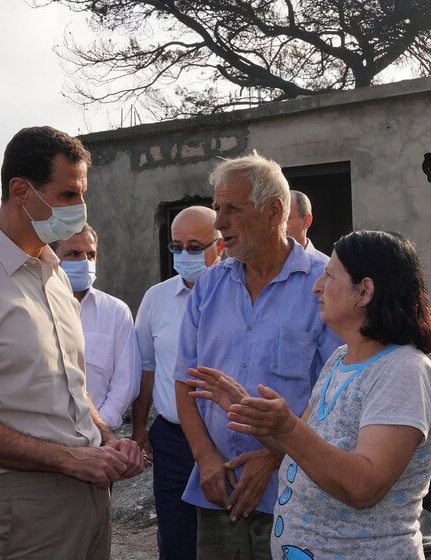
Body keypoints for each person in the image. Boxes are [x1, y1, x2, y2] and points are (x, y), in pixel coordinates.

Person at [0, 126, 144, 560]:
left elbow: (74, 390)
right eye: (67, 196)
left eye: (82, 195)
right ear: (21, 191)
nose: (80, 210)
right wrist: (68, 458)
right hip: (20, 503)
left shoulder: (54, 272)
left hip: (87, 496)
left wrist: (105, 438)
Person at [188, 230, 431, 559]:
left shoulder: (403, 370)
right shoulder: (339, 360)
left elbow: (365, 486)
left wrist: (287, 426)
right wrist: (257, 416)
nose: (317, 286)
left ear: (364, 291)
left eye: (329, 276)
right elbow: (299, 453)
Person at [173, 152, 341, 560]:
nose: (218, 222)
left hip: (295, 492)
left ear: (274, 211)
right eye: (217, 208)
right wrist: (206, 458)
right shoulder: (209, 286)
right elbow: (184, 380)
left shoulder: (325, 283)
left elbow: (337, 395)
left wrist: (274, 456)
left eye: (232, 208)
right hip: (219, 490)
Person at [132, 206, 223, 560]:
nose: (185, 256)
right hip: (173, 439)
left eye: (195, 247)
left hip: (226, 437)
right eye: (177, 246)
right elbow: (147, 365)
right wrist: (140, 427)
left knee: (229, 536)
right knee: (176, 539)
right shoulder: (156, 299)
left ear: (220, 245)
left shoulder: (238, 295)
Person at [52, 225, 141, 430]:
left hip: (100, 435)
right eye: (73, 254)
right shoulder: (36, 306)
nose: (84, 262)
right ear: (52, 257)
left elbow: (125, 382)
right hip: (48, 437)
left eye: (91, 254)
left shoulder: (116, 311)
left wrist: (99, 429)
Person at [287, 190, 327, 261]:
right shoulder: (264, 266)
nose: (277, 224)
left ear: (306, 221)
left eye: (286, 218)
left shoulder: (326, 268)